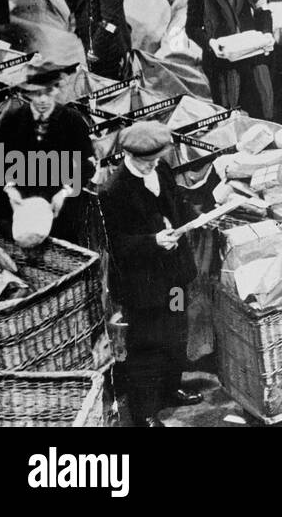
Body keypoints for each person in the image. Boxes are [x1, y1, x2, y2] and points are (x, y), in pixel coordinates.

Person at [98, 123, 202, 427]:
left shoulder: (163, 169)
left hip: (174, 279)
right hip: (142, 288)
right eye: (146, 161)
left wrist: (198, 219)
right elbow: (115, 245)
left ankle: (171, 388)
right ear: (128, 154)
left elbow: (178, 204)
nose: (153, 165)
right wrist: (153, 241)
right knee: (146, 345)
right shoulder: (113, 190)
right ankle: (144, 411)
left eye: (156, 159)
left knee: (175, 331)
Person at [0, 63, 97, 246]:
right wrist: (10, 189)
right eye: (37, 93)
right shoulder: (13, 119)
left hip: (59, 205)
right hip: (21, 204)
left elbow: (87, 165)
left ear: (57, 90)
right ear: (28, 93)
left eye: (48, 92)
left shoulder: (72, 121)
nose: (42, 100)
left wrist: (65, 191)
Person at [185, 0, 273, 120]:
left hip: (251, 56)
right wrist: (210, 43)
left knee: (262, 107)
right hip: (221, 61)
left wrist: (267, 33)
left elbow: (262, 9)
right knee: (227, 114)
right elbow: (191, 27)